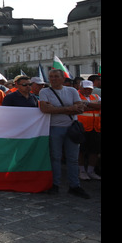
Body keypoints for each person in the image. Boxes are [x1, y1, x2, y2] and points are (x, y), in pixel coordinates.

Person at [39, 69, 89, 198]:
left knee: (73, 159)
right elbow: (45, 109)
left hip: (72, 128)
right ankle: (55, 184)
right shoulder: (44, 91)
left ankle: (74, 185)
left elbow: (80, 108)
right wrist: (69, 108)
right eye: (51, 77)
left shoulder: (71, 91)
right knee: (55, 157)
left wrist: (56, 109)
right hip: (55, 127)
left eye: (56, 76)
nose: (53, 79)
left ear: (63, 78)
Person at [77, 80, 101, 181]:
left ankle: (91, 171)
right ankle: (82, 171)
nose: (87, 91)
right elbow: (79, 108)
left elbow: (100, 106)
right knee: (81, 151)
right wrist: (94, 107)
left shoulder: (95, 96)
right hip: (81, 128)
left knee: (94, 150)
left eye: (89, 89)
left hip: (95, 128)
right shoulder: (76, 95)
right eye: (85, 88)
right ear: (80, 88)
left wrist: (87, 104)